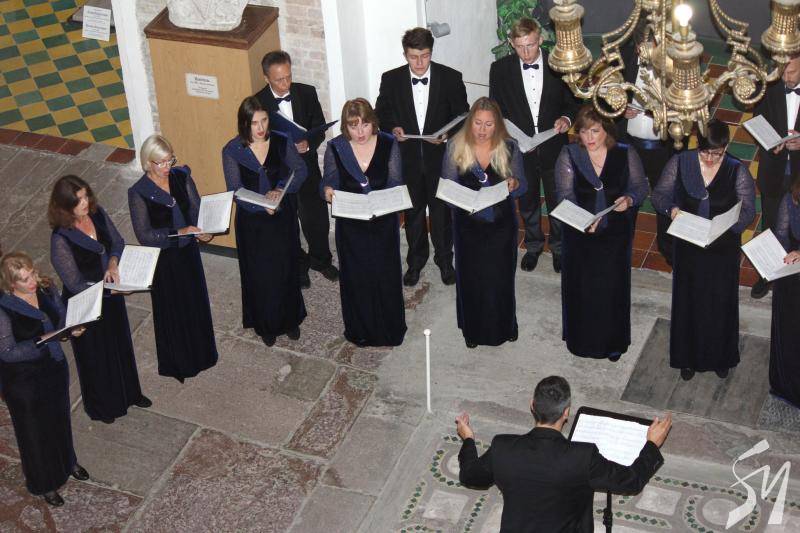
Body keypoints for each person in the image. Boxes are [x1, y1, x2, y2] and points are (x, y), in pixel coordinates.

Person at [456, 376, 671, 532]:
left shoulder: (502, 447)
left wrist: (468, 439)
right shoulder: (583, 457)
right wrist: (652, 445)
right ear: (566, 413)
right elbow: (631, 481)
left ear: (532, 406)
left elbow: (470, 475)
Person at [652, 120, 755, 380]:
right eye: (705, 152)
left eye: (716, 154)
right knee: (689, 302)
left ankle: (721, 357)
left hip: (722, 248)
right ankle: (688, 358)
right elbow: (659, 195)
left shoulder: (736, 169)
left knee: (720, 303)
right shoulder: (680, 162)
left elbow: (748, 210)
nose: (709, 159)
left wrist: (729, 227)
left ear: (725, 148)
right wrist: (672, 210)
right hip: (689, 246)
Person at [48, 175, 151, 424]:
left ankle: (130, 394)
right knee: (97, 356)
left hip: (111, 292)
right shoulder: (60, 239)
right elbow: (74, 283)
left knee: (120, 344)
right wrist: (109, 290)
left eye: (85, 196)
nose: (85, 203)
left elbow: (117, 241)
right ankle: (104, 407)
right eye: (78, 200)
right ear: (65, 206)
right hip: (87, 302)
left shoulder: (97, 213)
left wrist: (113, 263)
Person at [375, 27, 469, 287]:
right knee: (413, 213)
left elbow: (463, 115)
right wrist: (393, 128)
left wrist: (446, 134)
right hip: (407, 159)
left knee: (441, 213)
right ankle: (415, 262)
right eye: (413, 57)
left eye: (425, 56)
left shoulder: (450, 78)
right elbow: (381, 113)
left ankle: (445, 260)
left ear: (431, 52)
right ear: (405, 54)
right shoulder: (391, 79)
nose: (419, 63)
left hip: (440, 158)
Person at [555, 106, 649, 360]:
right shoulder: (569, 154)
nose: (589, 137)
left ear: (606, 130)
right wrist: (584, 220)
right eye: (584, 132)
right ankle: (581, 341)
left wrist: (629, 200)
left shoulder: (625, 152)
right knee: (582, 289)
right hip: (580, 235)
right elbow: (565, 196)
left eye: (595, 131)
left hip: (615, 235)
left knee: (612, 290)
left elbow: (640, 187)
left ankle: (612, 343)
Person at [489, 17, 579, 274]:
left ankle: (559, 248)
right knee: (527, 199)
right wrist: (510, 133)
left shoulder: (558, 64)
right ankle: (533, 245)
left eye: (530, 45)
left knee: (557, 198)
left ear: (540, 39)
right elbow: (497, 108)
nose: (526, 52)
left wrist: (566, 119)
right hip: (521, 146)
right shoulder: (500, 69)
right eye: (519, 46)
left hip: (554, 144)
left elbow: (573, 102)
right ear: (511, 43)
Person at [0, 252, 90, 507]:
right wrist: (42, 341)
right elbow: (7, 353)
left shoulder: (46, 287)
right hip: (24, 381)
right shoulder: (3, 309)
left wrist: (72, 328)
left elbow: (62, 316)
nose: (33, 281)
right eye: (25, 279)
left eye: (32, 273)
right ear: (11, 284)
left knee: (59, 419)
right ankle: (45, 483)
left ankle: (68, 462)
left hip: (53, 368)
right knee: (34, 433)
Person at [128, 134, 219, 382]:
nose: (167, 167)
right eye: (161, 162)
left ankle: (203, 354)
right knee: (174, 309)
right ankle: (181, 362)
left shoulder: (181, 176)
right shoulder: (139, 193)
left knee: (195, 303)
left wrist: (204, 230)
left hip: (188, 253)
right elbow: (145, 235)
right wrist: (179, 232)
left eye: (170, 160)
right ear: (148, 163)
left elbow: (197, 209)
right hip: (165, 260)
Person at [440, 97, 527, 348]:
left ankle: (506, 325)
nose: (482, 130)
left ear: (497, 125)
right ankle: (473, 330)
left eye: (489, 124)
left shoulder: (510, 146)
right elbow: (447, 188)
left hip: (502, 225)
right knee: (472, 278)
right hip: (467, 226)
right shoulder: (455, 146)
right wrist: (463, 204)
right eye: (477, 123)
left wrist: (515, 183)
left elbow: (523, 185)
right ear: (470, 122)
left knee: (501, 277)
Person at [223, 96, 308, 347]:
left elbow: (300, 171)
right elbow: (235, 190)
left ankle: (290, 319)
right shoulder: (232, 150)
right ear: (244, 124)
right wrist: (261, 204)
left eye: (264, 121)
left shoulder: (281, 140)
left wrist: (279, 190)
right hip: (253, 222)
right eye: (254, 123)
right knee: (261, 274)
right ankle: (266, 324)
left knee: (285, 268)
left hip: (281, 216)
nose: (260, 128)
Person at [322, 98, 407, 347]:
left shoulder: (388, 143)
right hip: (351, 226)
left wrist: (384, 202)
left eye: (365, 125)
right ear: (345, 127)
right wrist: (327, 191)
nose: (360, 132)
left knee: (385, 276)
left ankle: (389, 329)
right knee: (357, 278)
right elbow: (328, 180)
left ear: (373, 123)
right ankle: (360, 329)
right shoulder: (336, 147)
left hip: (383, 223)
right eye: (353, 126)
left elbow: (395, 182)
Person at [254, 50, 338, 288]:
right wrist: (284, 147)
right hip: (279, 171)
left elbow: (318, 127)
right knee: (287, 220)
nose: (285, 84)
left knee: (316, 216)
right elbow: (257, 139)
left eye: (288, 77)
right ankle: (298, 265)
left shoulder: (306, 92)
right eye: (279, 79)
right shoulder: (258, 102)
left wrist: (308, 143)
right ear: (266, 77)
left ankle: (321, 260)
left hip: (306, 165)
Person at [619, 24, 674, 264]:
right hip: (629, 144)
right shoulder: (625, 57)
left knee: (665, 195)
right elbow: (609, 92)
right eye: (641, 47)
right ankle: (623, 243)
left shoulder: (676, 63)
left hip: (663, 146)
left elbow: (688, 105)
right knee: (627, 194)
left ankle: (667, 247)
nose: (644, 53)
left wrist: (663, 111)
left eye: (650, 47)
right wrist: (620, 108)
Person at [751, 55, 800, 299]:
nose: (785, 78)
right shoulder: (770, 84)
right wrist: (769, 141)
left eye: (791, 72)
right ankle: (767, 274)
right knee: (770, 222)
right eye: (782, 72)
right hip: (773, 168)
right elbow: (757, 118)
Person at [769, 178, 800, 407]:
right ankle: (787, 383)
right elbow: (781, 233)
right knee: (790, 330)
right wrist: (775, 254)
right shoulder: (791, 198)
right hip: (792, 274)